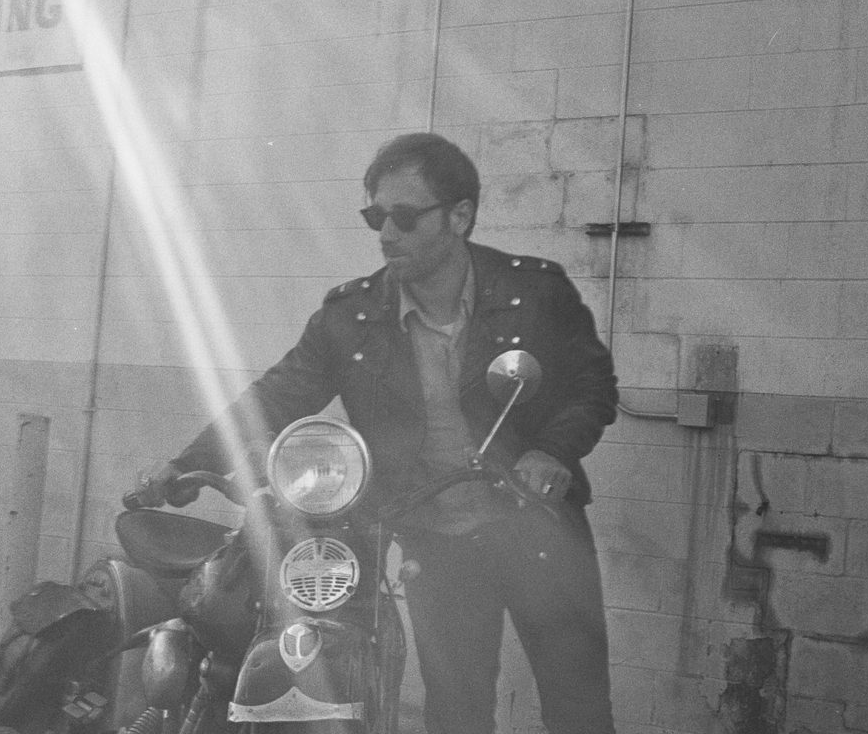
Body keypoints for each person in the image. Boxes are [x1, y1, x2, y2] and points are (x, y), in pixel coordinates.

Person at [132, 132, 618, 733]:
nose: (387, 234)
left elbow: (592, 384)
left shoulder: (535, 291)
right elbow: (275, 395)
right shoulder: (352, 317)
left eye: (406, 217)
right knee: (457, 714)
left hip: (538, 528)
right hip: (435, 539)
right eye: (376, 216)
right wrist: (185, 463)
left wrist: (552, 450)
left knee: (579, 708)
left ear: (460, 216)